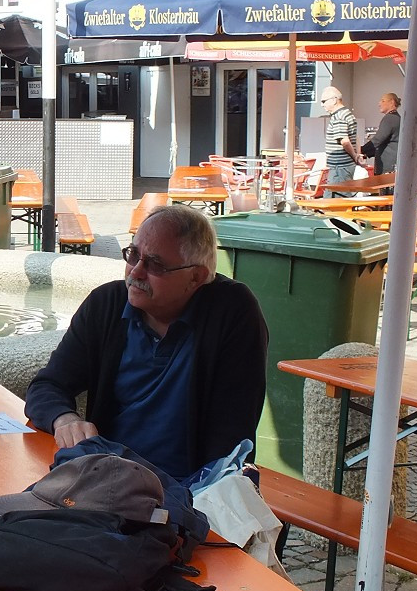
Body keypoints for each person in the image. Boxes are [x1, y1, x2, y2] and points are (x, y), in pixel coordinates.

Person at [25, 205, 269, 482]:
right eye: (133, 255)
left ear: (195, 277)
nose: (136, 272)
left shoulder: (231, 312)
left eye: (155, 264)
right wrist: (64, 418)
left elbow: (231, 437)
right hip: (107, 480)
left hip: (193, 492)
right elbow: (47, 386)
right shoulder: (105, 305)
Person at [321, 85, 362, 197]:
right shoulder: (347, 114)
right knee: (340, 196)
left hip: (340, 167)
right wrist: (357, 156)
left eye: (324, 101)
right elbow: (355, 137)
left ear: (334, 100)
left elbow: (344, 140)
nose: (322, 105)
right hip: (343, 166)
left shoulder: (339, 116)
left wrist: (355, 156)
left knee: (335, 200)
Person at [362, 92, 401, 176]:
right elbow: (383, 142)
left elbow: (378, 140)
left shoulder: (390, 119)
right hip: (392, 164)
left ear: (392, 102)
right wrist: (366, 153)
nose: (379, 104)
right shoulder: (396, 118)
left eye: (383, 101)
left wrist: (360, 151)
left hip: (387, 166)